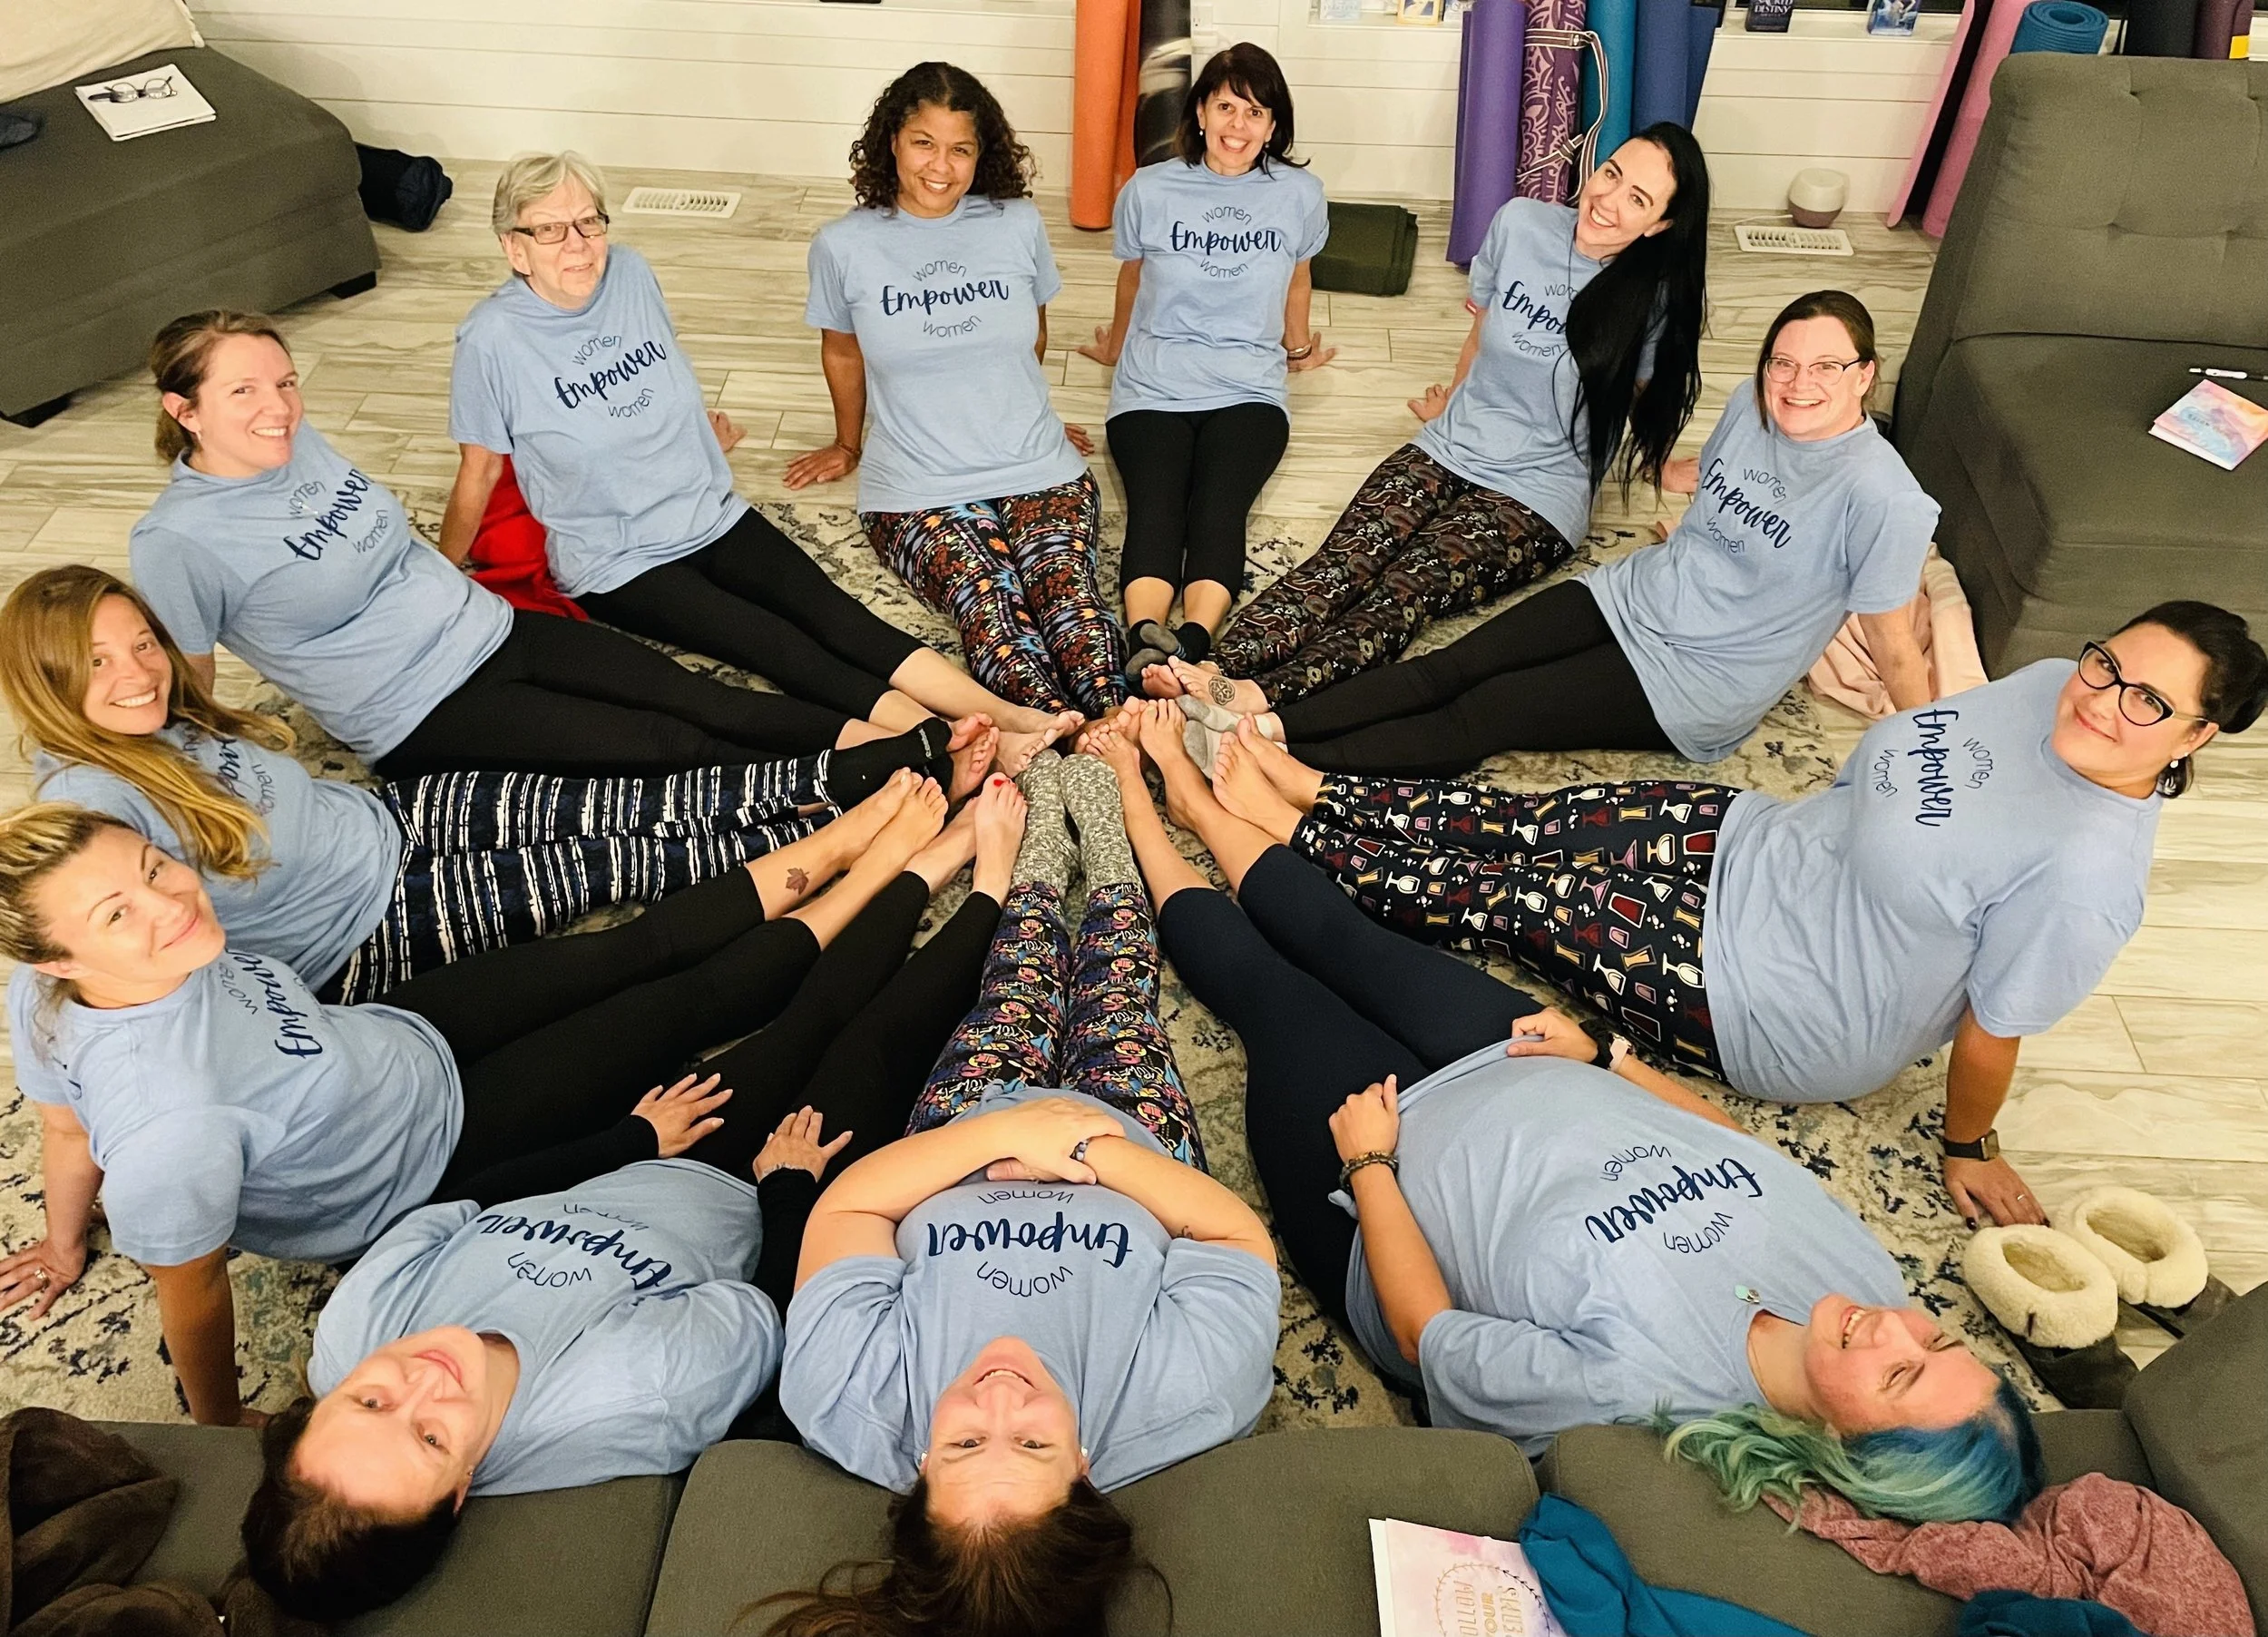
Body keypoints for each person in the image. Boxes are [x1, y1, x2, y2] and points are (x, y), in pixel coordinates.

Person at [1109, 701, 2043, 1526]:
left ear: (1840, 1447)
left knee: (1269, 990)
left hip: (1378, 1171)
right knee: (1347, 935)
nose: (1895, 1329)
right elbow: (1732, 1145)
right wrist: (1609, 1057)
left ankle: (1134, 805)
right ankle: (1197, 799)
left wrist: (1368, 1167)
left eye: (1896, 1375)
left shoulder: (1634, 1397)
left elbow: (1423, 1334)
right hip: (1527, 1065)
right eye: (1936, 1339)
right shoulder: (1869, 1277)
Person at [1177, 601, 2268, 1230]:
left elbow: (1994, 1027)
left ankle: (1272, 838)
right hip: (1759, 844)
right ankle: (1306, 789)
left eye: (2148, 702)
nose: (2101, 698)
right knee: (1527, 821)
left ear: (2195, 739)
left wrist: (1969, 1142)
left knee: (1514, 897)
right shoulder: (2043, 683)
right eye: (2109, 662)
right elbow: (1898, 768)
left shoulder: (2088, 873)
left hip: (1773, 997)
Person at [240, 777, 1033, 1624]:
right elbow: (772, 1319)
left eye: (368, 1401)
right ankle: (990, 884)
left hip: (653, 1158)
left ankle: (927, 861)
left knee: (803, 1021)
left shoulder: (354, 1330)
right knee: (876, 1040)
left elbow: (472, 1200)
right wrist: (791, 1189)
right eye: (430, 1437)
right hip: (765, 1199)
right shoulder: (635, 1398)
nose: (421, 1385)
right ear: (464, 1485)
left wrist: (630, 1141)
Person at [0, 774, 956, 1426]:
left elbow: (58, 1117)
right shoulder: (173, 1129)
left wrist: (62, 1238)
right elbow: (193, 1293)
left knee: (630, 947)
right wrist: (217, 1420)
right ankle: (878, 878)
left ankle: (842, 838)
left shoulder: (42, 991)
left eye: (154, 868)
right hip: (432, 1151)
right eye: (118, 913)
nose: (172, 901)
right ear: (57, 956)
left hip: (388, 1035)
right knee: (680, 1008)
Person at [767, 747, 1277, 1636]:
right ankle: (1110, 847)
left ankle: (1040, 853)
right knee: (1119, 984)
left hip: (964, 1135)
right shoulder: (1190, 1400)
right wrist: (1085, 1145)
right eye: (1033, 1442)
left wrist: (1005, 1132)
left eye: (965, 1441)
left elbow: (849, 1208)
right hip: (1128, 1143)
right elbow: (1234, 1237)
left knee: (1013, 984)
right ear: (1083, 1464)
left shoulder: (841, 1396)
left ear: (920, 1465)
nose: (999, 1396)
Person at [124, 312, 1053, 781]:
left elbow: (402, 546)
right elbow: (187, 688)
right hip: (416, 710)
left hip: (494, 629)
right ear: (184, 409)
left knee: (694, 691)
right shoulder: (179, 539)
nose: (278, 407)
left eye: (282, 381)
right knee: (665, 745)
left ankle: (945, 734)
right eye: (243, 393)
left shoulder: (299, 440)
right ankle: (925, 754)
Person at [0, 564, 979, 1002]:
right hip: (369, 928)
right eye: (97, 664)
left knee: (627, 801)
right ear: (46, 683)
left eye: (141, 643)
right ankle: (859, 822)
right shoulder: (93, 810)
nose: (139, 672)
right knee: (629, 858)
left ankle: (875, 766)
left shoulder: (156, 722)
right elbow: (68, 970)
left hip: (385, 818)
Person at [437, 152, 1074, 757]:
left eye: (588, 222)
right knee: (777, 645)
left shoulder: (629, 272)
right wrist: (441, 575)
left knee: (834, 614)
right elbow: (481, 472)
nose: (577, 244)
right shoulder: (492, 341)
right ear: (513, 247)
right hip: (620, 557)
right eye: (550, 230)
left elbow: (656, 379)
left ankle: (1005, 711)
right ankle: (956, 742)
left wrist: (691, 433)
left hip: (709, 510)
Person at [1170, 291, 1942, 778]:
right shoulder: (1752, 402)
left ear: (1866, 375)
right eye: (1784, 363)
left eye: (1826, 368)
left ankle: (1264, 757)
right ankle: (1265, 710)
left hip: (1699, 678)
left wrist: (1930, 760)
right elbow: (1714, 469)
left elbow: (1897, 651)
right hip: (1631, 594)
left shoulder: (1883, 498)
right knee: (1451, 666)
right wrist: (1670, 482)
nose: (1798, 385)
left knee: (1488, 713)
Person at [1149, 125, 1710, 714]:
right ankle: (1213, 664)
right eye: (1612, 174)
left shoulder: (1654, 296)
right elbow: (1480, 333)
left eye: (1638, 200)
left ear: (1660, 226)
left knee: (1403, 589)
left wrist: (1661, 464)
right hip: (1451, 444)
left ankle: (1250, 695)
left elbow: (1651, 393)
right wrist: (1453, 404)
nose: (1608, 198)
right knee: (1343, 562)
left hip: (1539, 493)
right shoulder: (1520, 224)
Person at [785, 63, 1128, 720]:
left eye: (960, 148)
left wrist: (1030, 410)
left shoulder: (1016, 223)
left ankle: (1119, 730)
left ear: (981, 154)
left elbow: (1031, 334)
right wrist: (846, 442)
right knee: (992, 606)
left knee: (1068, 604)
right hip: (917, 488)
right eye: (924, 142)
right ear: (892, 141)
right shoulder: (843, 245)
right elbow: (842, 350)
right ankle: (1057, 742)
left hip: (1036, 466)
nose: (940, 165)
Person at [1078, 44, 1332, 683]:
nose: (1238, 126)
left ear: (1275, 126)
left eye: (1255, 112)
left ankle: (1190, 641)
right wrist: (1116, 347)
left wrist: (1296, 349)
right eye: (1225, 106)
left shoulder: (1299, 194)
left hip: (1248, 389)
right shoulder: (1150, 187)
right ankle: (1141, 635)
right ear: (1198, 112)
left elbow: (1297, 282)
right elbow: (1133, 279)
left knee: (1217, 508)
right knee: (1158, 505)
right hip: (1151, 386)